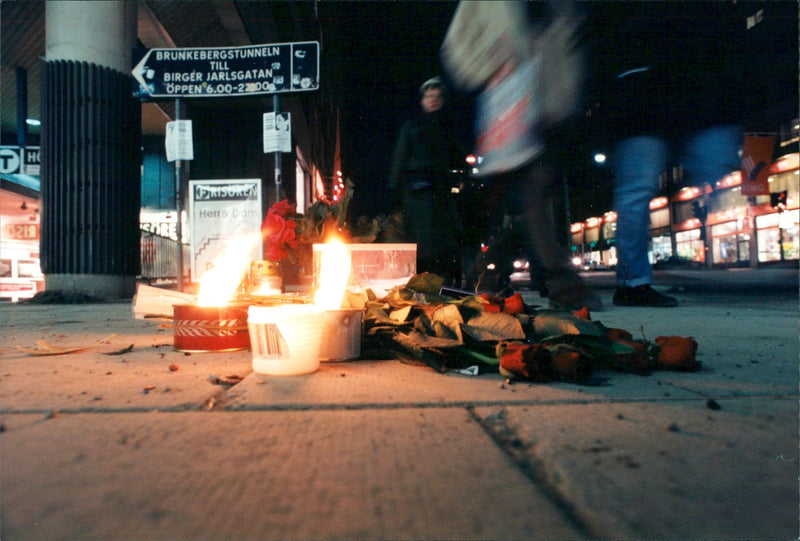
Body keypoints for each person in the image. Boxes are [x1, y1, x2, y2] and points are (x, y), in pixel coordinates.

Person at [441, 0, 603, 310]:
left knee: (533, 198)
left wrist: (565, 96)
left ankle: (494, 276)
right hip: (509, 106)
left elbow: (568, 39)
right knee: (527, 198)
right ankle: (557, 282)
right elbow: (455, 47)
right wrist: (489, 66)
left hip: (549, 108)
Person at [587, 2, 747, 307]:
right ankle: (633, 284)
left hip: (674, 94)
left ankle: (633, 282)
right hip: (641, 97)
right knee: (637, 190)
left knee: (645, 188)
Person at [388, 76, 465, 285]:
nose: (433, 99)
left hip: (440, 195)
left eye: (437, 96)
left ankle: (442, 287)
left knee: (442, 244)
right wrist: (395, 195)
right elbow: (399, 159)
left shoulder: (448, 128)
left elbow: (457, 158)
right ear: (422, 100)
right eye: (429, 96)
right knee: (421, 246)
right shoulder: (412, 127)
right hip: (417, 195)